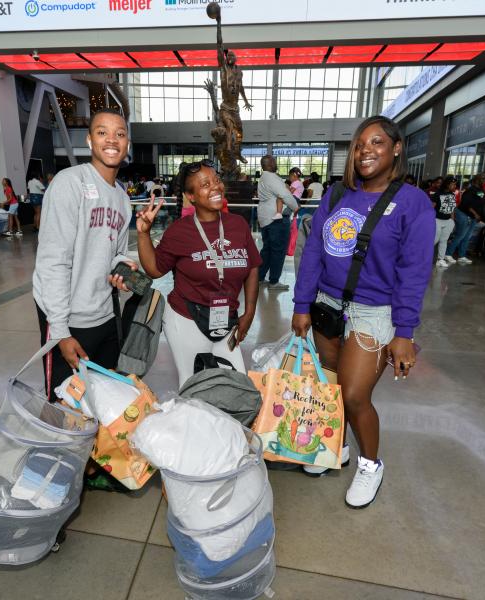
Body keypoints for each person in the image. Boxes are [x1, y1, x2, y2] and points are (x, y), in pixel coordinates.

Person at [292, 115, 434, 508]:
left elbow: (414, 271)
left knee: (355, 395)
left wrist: (404, 332)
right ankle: (334, 447)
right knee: (331, 388)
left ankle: (371, 464)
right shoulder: (337, 194)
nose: (365, 151)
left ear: (396, 148)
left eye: (376, 143)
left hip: (374, 312)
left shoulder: (412, 202)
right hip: (328, 306)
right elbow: (314, 253)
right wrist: (302, 303)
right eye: (359, 145)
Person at [33, 108, 136, 400]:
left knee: (101, 401)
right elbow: (53, 261)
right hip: (66, 317)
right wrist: (61, 332)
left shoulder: (120, 196)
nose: (112, 140)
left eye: (120, 133)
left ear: (127, 143)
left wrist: (124, 267)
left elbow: (114, 252)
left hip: (103, 314)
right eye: (102, 132)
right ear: (90, 140)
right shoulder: (70, 182)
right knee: (66, 404)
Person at [135, 160, 261, 386]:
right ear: (190, 196)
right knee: (194, 385)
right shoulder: (179, 231)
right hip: (186, 318)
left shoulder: (238, 224)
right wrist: (143, 234)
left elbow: (252, 266)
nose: (215, 187)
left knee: (236, 383)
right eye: (204, 185)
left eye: (216, 180)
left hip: (226, 318)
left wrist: (249, 312)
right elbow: (154, 270)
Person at [257, 155, 300, 290]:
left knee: (267, 249)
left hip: (264, 217)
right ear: (269, 164)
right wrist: (295, 207)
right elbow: (285, 195)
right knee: (278, 250)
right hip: (276, 220)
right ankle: (274, 281)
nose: (276, 163)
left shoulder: (263, 178)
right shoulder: (272, 177)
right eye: (274, 161)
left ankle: (259, 277)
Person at [446, 174, 485, 263]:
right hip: (464, 214)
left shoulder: (481, 190)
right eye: (482, 178)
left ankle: (461, 256)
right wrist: (475, 214)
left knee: (467, 237)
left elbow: (481, 201)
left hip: (473, 216)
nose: (484, 180)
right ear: (476, 180)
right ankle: (448, 254)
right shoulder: (470, 190)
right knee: (460, 235)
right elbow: (466, 204)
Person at [430, 176, 458, 268]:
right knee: (434, 240)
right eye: (452, 184)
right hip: (437, 220)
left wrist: (452, 221)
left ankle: (440, 259)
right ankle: (422, 256)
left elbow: (452, 208)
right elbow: (431, 207)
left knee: (444, 240)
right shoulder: (437, 194)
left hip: (448, 221)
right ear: (447, 184)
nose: (454, 186)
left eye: (455, 184)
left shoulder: (452, 195)